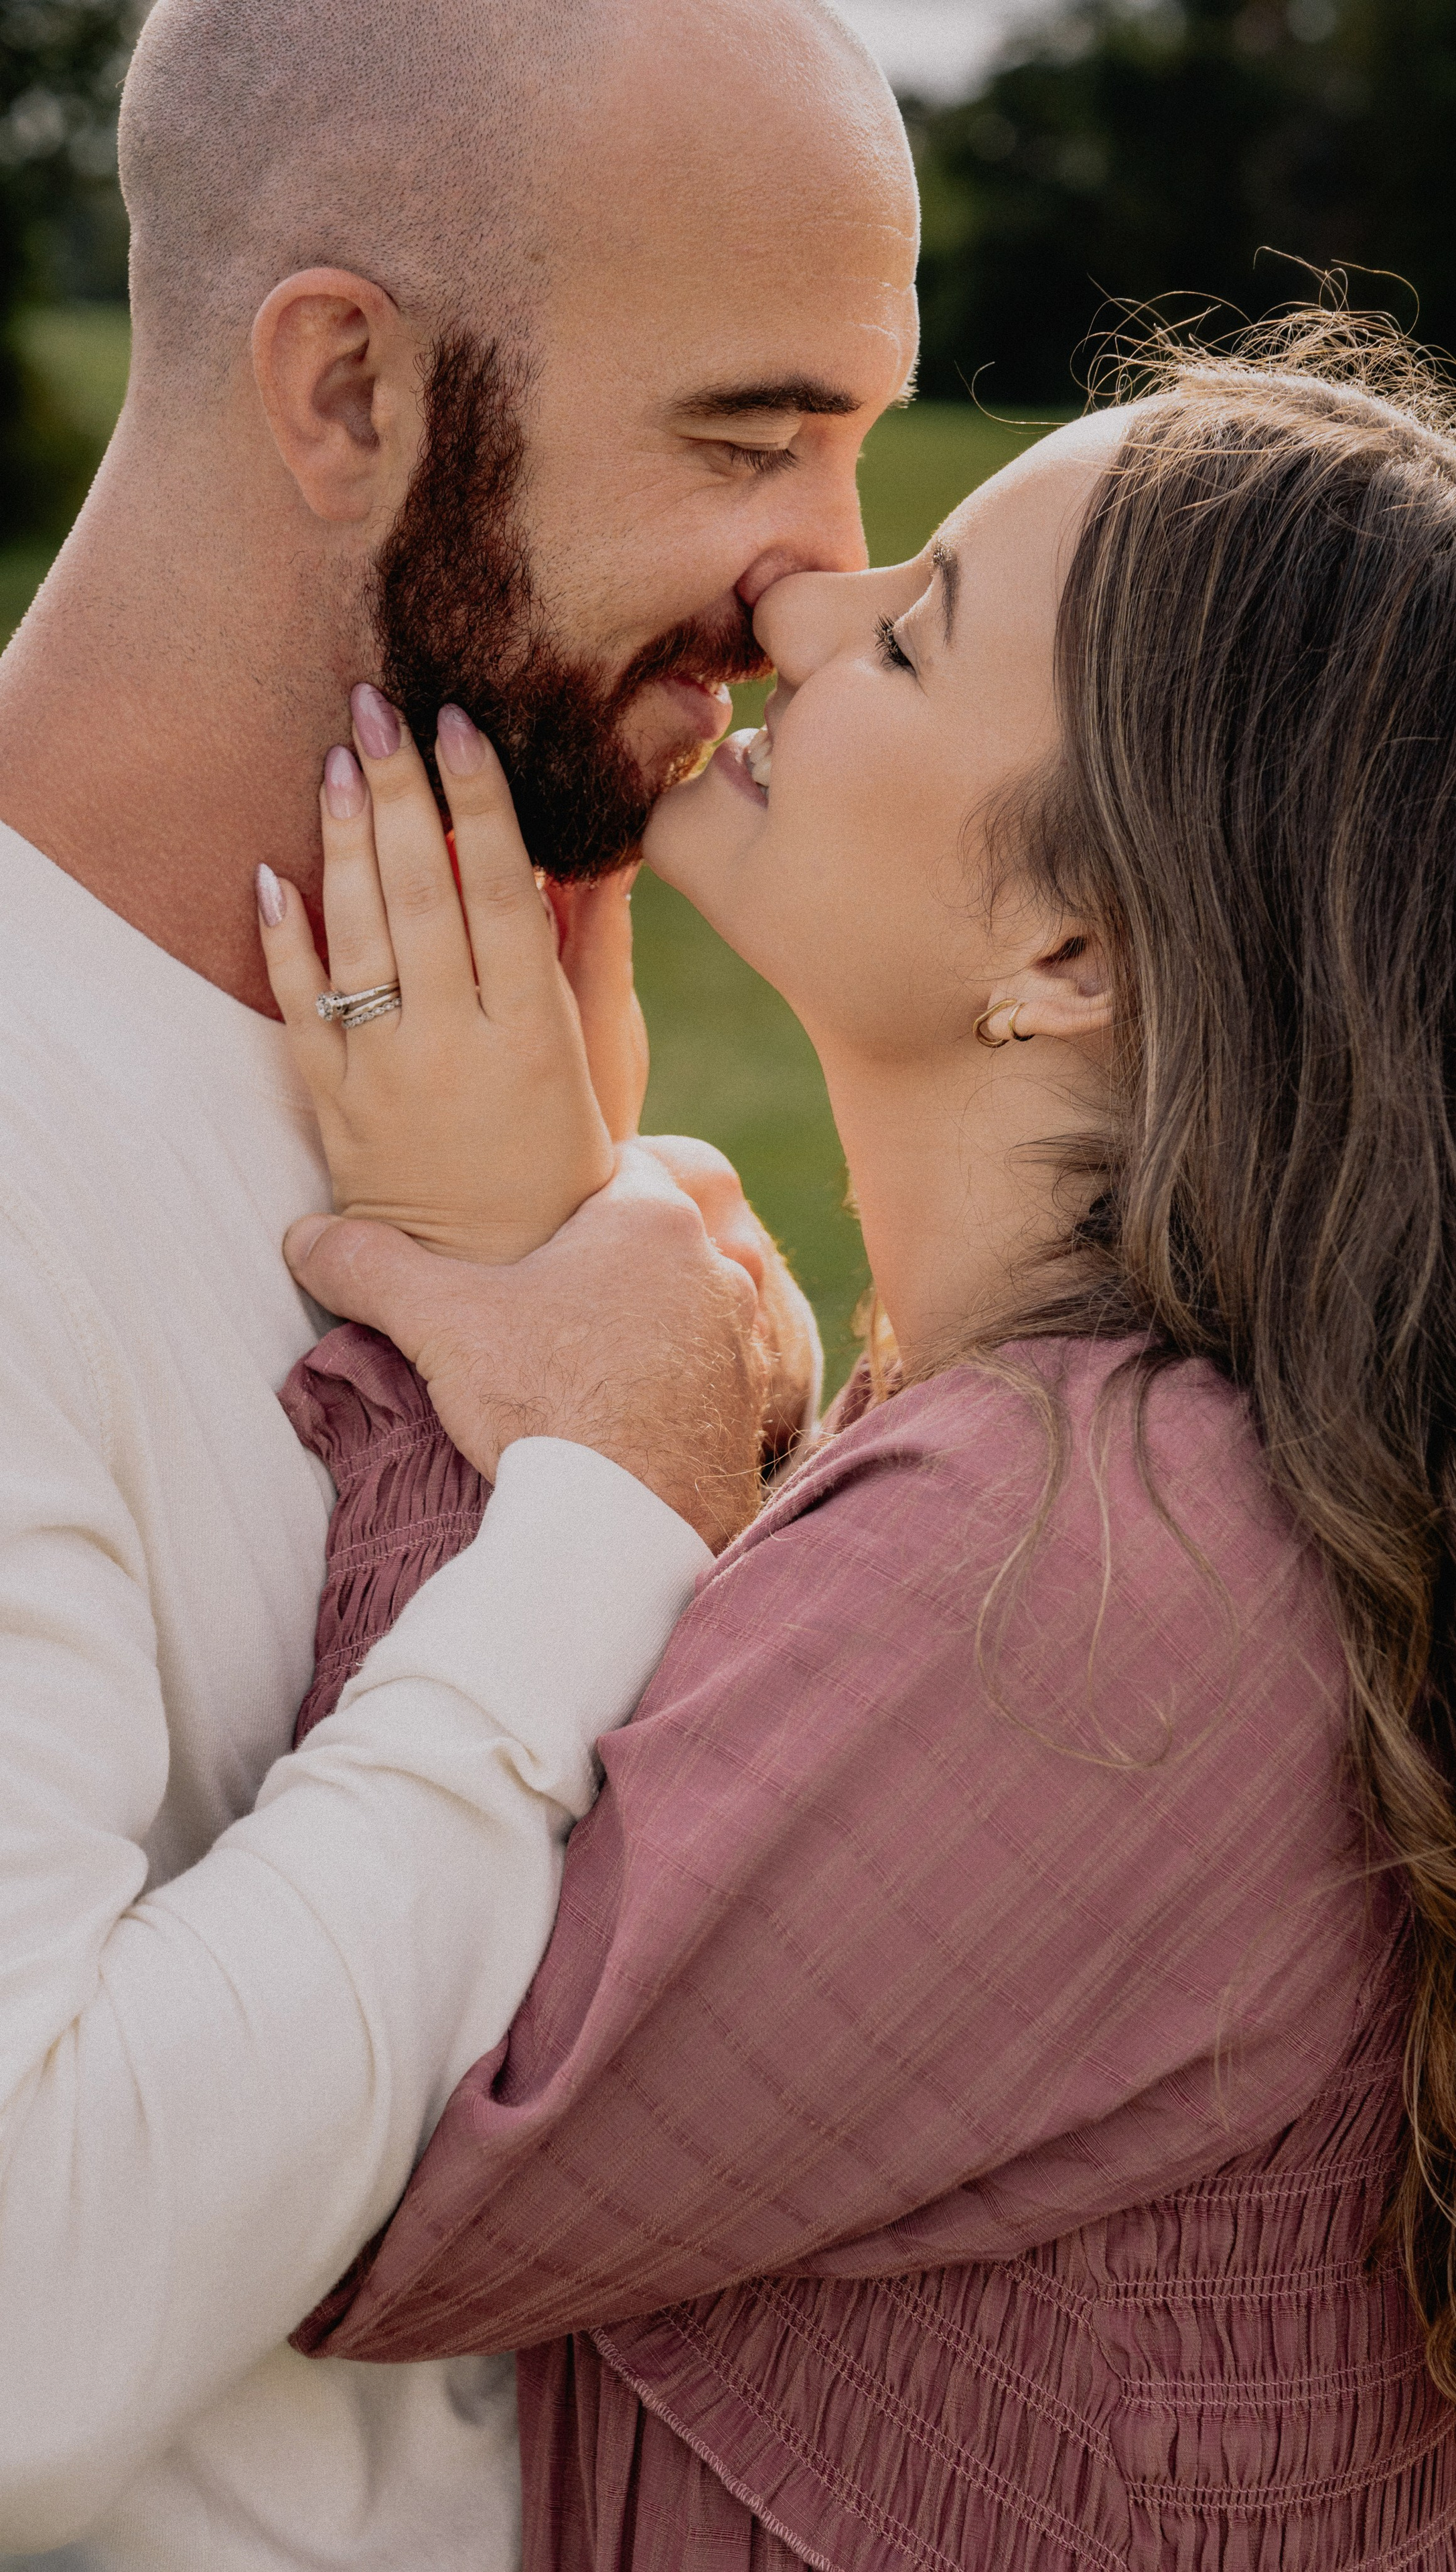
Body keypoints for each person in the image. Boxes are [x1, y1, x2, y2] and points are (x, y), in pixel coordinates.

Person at [247, 324, 1456, 2567]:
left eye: (912, 629)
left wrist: (482, 1277)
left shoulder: (1093, 1566)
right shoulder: (1162, 1479)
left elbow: (355, 2162)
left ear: (1072, 944)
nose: (798, 609)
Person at [0, 1, 916, 2563]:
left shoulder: (529, 1082)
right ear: (344, 395)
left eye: (863, 434)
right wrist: (606, 1508)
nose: (826, 584)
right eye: (746, 440)